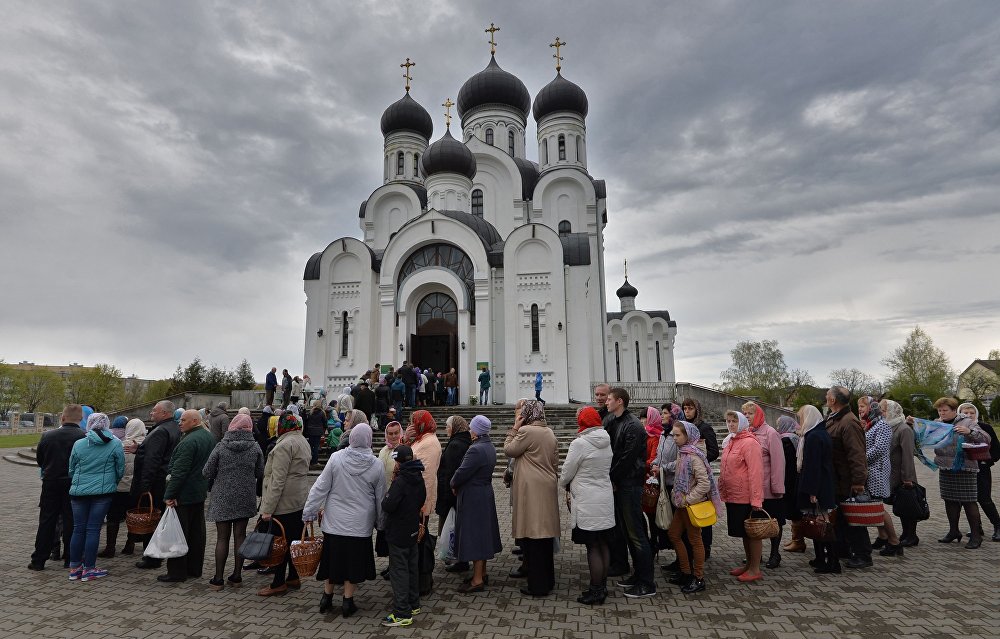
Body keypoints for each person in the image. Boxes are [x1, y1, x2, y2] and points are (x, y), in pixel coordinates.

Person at [305, 423, 385, 619]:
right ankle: (348, 601)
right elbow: (380, 498)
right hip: (360, 523)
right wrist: (381, 522)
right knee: (353, 561)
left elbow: (320, 487)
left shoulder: (336, 458)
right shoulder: (376, 464)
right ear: (369, 440)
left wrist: (309, 511)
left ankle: (327, 596)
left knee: (332, 559)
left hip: (334, 522)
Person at [504, 399, 560, 597]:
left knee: (534, 535)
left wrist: (514, 428)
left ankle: (538, 585)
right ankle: (548, 579)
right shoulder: (549, 432)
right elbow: (555, 461)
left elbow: (509, 450)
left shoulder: (527, 432)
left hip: (531, 488)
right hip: (547, 484)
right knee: (545, 536)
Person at [202, 413, 263, 591]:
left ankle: (218, 579)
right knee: (240, 536)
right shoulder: (255, 448)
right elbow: (261, 472)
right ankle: (237, 576)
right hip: (245, 496)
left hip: (222, 495)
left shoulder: (221, 447)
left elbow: (206, 471)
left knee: (222, 537)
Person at [604, 388, 656, 598]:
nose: (606, 402)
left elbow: (627, 458)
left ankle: (647, 582)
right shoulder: (613, 421)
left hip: (630, 485)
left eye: (609, 399)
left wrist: (612, 478)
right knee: (626, 531)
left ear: (619, 401)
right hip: (619, 483)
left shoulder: (633, 426)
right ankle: (638, 574)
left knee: (636, 533)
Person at [559, 407, 614, 604]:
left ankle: (596, 590)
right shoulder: (606, 440)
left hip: (587, 500)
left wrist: (563, 483)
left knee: (592, 546)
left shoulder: (580, 443)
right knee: (603, 544)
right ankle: (603, 586)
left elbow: (567, 470)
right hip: (604, 497)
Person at [257, 410, 313, 595]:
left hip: (283, 503)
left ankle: (278, 582)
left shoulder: (283, 445)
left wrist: (267, 508)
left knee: (279, 544)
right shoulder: (302, 441)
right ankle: (293, 576)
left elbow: (277, 480)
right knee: (293, 540)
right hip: (298, 499)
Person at [66, 413, 125, 582]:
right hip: (102, 492)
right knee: (93, 529)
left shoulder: (79, 443)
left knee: (78, 528)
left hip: (79, 491)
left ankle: (75, 567)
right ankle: (89, 569)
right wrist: (112, 481)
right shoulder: (115, 444)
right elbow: (120, 468)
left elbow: (71, 468)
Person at [159, 409, 215, 583]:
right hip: (198, 492)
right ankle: (194, 568)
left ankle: (176, 572)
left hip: (183, 494)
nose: (179, 422)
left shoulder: (189, 441)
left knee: (178, 533)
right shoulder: (208, 437)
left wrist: (169, 494)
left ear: (194, 421)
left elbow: (179, 472)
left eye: (183, 420)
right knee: (196, 533)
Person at [666, 421, 722, 594]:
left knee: (695, 540)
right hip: (682, 504)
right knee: (674, 535)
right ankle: (686, 572)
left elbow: (704, 484)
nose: (674, 438)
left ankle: (698, 578)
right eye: (673, 435)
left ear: (688, 436)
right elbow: (678, 468)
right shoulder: (684, 453)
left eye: (678, 435)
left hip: (690, 505)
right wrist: (661, 467)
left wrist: (688, 499)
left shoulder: (694, 456)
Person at [926, 397, 989, 548]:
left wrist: (970, 431)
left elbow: (986, 438)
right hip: (946, 466)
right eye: (939, 410)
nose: (942, 413)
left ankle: (975, 535)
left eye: (945, 410)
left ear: (954, 410)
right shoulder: (937, 422)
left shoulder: (967, 421)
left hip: (965, 467)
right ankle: (954, 531)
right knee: (949, 500)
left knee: (969, 501)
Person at [29, 404, 86, 571]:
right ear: (81, 419)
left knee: (47, 520)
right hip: (73, 482)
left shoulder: (48, 435)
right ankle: (70, 558)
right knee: (71, 521)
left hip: (51, 481)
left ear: (62, 418)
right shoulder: (84, 437)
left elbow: (41, 460)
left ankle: (39, 559)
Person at [451, 415, 503, 594]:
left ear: (476, 430)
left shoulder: (476, 449)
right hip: (484, 492)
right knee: (482, 534)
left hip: (473, 495)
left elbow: (461, 472)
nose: (470, 430)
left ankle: (477, 580)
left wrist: (453, 483)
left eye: (472, 427)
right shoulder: (489, 446)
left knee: (474, 536)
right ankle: (482, 573)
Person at [824, 386, 871, 568]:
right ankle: (844, 549)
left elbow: (857, 454)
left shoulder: (848, 422)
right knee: (842, 518)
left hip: (846, 479)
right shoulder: (836, 418)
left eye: (827, 395)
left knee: (853, 519)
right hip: (837, 478)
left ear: (834, 400)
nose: (826, 397)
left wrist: (859, 481)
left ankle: (863, 554)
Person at [131, 400, 181, 570]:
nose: (151, 414)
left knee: (151, 519)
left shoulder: (160, 431)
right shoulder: (174, 427)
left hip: (155, 483)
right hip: (164, 480)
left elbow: (153, 460)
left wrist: (144, 487)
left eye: (154, 411)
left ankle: (151, 558)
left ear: (165, 413)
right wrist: (140, 449)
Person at [379, 444, 426, 627]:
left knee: (399, 571)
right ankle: (413, 604)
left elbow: (388, 505)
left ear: (398, 461)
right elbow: (422, 499)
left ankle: (401, 613)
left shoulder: (401, 481)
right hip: (412, 529)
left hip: (398, 531)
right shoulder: (418, 476)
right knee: (412, 567)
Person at [718, 410, 765, 582]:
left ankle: (755, 568)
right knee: (745, 532)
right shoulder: (731, 441)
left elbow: (756, 473)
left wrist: (756, 499)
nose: (730, 424)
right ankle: (748, 565)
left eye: (734, 421)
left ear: (743, 422)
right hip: (734, 496)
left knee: (752, 533)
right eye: (728, 421)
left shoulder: (749, 443)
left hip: (746, 496)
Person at [742, 402, 786, 569]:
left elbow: (778, 462)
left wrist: (777, 487)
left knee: (773, 522)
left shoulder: (770, 433)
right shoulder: (747, 433)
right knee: (754, 522)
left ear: (758, 414)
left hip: (768, 488)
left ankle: (775, 553)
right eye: (745, 413)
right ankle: (756, 555)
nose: (747, 416)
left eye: (750, 413)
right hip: (752, 488)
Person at [795, 404, 837, 572]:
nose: (800, 421)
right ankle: (820, 558)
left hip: (817, 486)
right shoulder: (820, 433)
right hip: (823, 483)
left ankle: (831, 562)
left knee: (822, 523)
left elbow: (813, 466)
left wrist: (813, 491)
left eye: (802, 418)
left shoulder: (813, 437)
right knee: (817, 522)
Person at [99, 417, 146, 558]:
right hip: (137, 488)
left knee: (113, 518)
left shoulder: (120, 445)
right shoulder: (148, 446)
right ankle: (129, 544)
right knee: (132, 517)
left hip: (119, 487)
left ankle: (110, 547)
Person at [859, 396, 900, 556]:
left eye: (863, 406)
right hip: (870, 470)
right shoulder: (870, 424)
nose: (860, 409)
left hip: (877, 471)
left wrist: (859, 459)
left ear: (872, 407)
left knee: (878, 507)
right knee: (874, 505)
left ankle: (895, 542)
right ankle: (883, 537)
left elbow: (879, 449)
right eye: (859, 406)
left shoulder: (882, 425)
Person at [958, 402, 1000, 542]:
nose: (969, 415)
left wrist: (987, 460)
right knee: (969, 499)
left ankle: (998, 525)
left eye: (971, 413)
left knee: (984, 498)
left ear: (976, 414)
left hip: (981, 468)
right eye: (965, 413)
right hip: (965, 468)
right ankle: (977, 527)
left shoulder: (985, 427)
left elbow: (996, 448)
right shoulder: (957, 427)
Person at [881, 399, 920, 547]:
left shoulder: (903, 429)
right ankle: (905, 533)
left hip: (903, 474)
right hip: (892, 473)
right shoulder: (889, 426)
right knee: (901, 505)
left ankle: (912, 535)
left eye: (884, 410)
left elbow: (908, 455)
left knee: (908, 505)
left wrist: (908, 478)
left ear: (892, 411)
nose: (882, 413)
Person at [437, 415, 473, 573]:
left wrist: (445, 498)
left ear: (455, 427)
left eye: (447, 425)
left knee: (454, 528)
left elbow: (449, 473)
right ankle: (461, 559)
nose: (446, 428)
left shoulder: (455, 445)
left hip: (452, 495)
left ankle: (460, 561)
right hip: (460, 494)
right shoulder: (464, 441)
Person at [406, 411, 443, 532]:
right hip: (413, 496)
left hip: (418, 500)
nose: (411, 426)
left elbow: (427, 476)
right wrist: (406, 439)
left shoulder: (429, 443)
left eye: (413, 422)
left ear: (421, 423)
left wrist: (422, 505)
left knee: (418, 537)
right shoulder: (421, 438)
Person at [775, 415, 804, 554]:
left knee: (794, 512)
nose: (777, 427)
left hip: (789, 481)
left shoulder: (786, 440)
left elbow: (784, 464)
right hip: (795, 480)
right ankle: (796, 539)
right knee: (794, 511)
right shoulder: (794, 438)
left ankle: (798, 541)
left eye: (779, 424)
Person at [644, 407, 671, 553]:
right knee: (648, 514)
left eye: (645, 418)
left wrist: (641, 464)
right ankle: (654, 542)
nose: (643, 421)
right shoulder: (647, 435)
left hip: (654, 479)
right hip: (647, 479)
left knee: (654, 514)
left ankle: (656, 543)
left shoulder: (656, 436)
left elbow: (654, 458)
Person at [304, 401, 327, 470]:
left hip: (310, 431)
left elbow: (307, 421)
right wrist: (324, 430)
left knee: (310, 446)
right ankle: (315, 462)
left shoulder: (310, 412)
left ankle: (309, 461)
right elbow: (325, 422)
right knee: (316, 447)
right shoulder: (322, 413)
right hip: (318, 432)